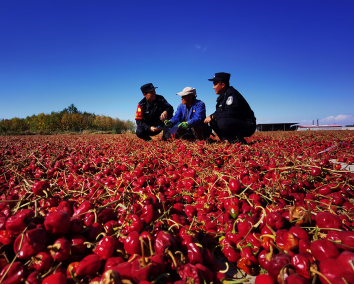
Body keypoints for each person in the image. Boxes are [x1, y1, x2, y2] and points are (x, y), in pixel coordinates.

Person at [204, 72, 256, 144]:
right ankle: (225, 140)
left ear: (223, 85)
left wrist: (212, 116)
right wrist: (211, 117)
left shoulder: (232, 94)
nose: (213, 87)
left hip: (247, 125)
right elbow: (219, 112)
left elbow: (229, 113)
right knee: (213, 120)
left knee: (223, 122)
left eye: (215, 84)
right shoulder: (223, 96)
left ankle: (239, 141)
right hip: (236, 122)